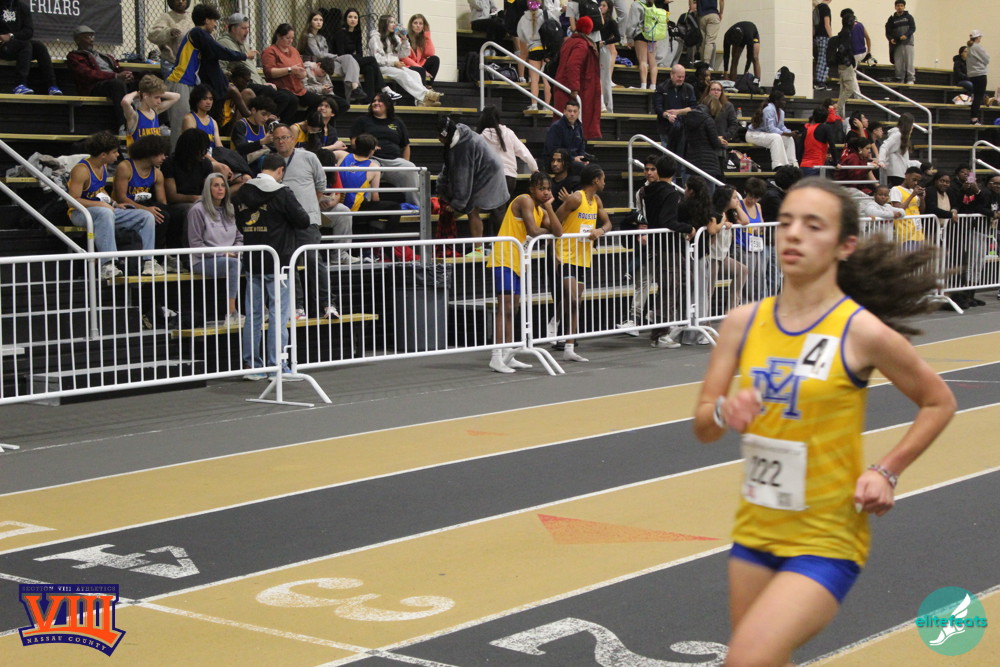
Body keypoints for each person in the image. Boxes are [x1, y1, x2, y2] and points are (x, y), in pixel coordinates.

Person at [692, 177, 956, 667]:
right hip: (755, 532)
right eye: (787, 222)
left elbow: (938, 402)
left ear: (844, 245)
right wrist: (727, 411)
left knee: (745, 660)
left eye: (814, 226)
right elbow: (703, 424)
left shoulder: (861, 331)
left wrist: (886, 470)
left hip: (826, 539)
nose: (794, 234)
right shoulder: (742, 322)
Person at [233, 153, 311, 377]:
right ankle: (277, 365)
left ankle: (252, 366)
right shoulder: (282, 192)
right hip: (279, 260)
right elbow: (303, 221)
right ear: (280, 171)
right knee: (279, 315)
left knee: (253, 315)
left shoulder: (240, 193)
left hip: (253, 259)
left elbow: (240, 225)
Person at [487, 171, 562, 373]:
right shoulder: (525, 200)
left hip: (518, 261)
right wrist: (546, 231)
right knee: (505, 307)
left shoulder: (541, 210)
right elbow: (533, 231)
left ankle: (508, 354)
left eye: (548, 189)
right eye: (541, 188)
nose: (546, 192)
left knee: (513, 308)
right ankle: (496, 356)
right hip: (504, 258)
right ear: (532, 189)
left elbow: (559, 232)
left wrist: (549, 207)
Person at [268, 124, 342, 319]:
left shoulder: (309, 157)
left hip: (307, 219)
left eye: (285, 137)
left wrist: (307, 207)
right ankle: (297, 307)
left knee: (312, 260)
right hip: (283, 222)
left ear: (293, 139)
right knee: (288, 263)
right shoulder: (270, 161)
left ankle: (328, 304)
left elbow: (321, 183)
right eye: (277, 138)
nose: (281, 141)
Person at [67, 131, 162, 279]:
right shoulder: (81, 170)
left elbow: (99, 190)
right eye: (114, 152)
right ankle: (107, 264)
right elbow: (72, 200)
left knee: (146, 216)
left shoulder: (103, 166)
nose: (118, 155)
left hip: (103, 212)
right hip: (80, 213)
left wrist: (114, 203)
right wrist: (102, 205)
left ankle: (147, 261)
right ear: (103, 155)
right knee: (105, 212)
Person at [554, 164, 613, 362]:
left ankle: (569, 347)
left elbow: (608, 223)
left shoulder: (596, 200)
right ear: (596, 180)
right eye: (603, 179)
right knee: (572, 297)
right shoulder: (576, 198)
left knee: (576, 300)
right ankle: (555, 321)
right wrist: (552, 249)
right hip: (566, 254)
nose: (605, 183)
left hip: (583, 257)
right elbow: (555, 221)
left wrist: (600, 231)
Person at [437, 117, 510, 250]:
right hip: (482, 170)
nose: (438, 140)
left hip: (489, 174)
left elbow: (463, 178)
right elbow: (448, 167)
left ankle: (479, 249)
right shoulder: (455, 138)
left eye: (439, 136)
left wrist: (456, 204)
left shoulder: (464, 146)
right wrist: (441, 189)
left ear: (445, 135)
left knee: (472, 210)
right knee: (469, 208)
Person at [646, 160, 697, 349]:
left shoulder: (650, 190)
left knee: (687, 279)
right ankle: (660, 332)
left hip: (666, 245)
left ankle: (667, 318)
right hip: (666, 246)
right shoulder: (669, 192)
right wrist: (688, 228)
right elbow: (667, 221)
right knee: (669, 287)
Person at [218, 13, 298, 125]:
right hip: (243, 83)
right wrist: (234, 78)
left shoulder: (244, 45)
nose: (247, 31)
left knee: (291, 98)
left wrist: (263, 82)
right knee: (272, 93)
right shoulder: (224, 43)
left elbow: (253, 70)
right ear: (233, 29)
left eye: (248, 28)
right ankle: (266, 123)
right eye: (244, 28)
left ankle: (279, 128)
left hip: (257, 83)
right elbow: (221, 68)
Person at [187, 173, 244, 325]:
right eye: (216, 185)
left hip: (230, 256)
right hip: (203, 260)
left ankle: (260, 309)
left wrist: (235, 251)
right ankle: (231, 313)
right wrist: (223, 253)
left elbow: (239, 238)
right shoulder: (197, 210)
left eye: (223, 185)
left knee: (257, 261)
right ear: (208, 188)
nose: (220, 189)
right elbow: (196, 244)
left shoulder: (230, 208)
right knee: (234, 264)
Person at [349, 92, 421, 206]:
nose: (376, 103)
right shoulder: (362, 120)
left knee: (411, 168)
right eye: (374, 101)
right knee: (368, 169)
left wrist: (405, 162)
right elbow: (354, 142)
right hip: (372, 158)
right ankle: (363, 206)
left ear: (387, 104)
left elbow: (406, 146)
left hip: (393, 160)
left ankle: (416, 206)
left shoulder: (397, 122)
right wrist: (369, 146)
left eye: (380, 101)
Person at [66, 26, 134, 131]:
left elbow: (118, 67)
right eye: (87, 37)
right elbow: (87, 74)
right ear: (78, 40)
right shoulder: (74, 56)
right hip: (95, 86)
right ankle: (124, 126)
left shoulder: (105, 56)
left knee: (145, 80)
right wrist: (115, 76)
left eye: (92, 36)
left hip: (114, 81)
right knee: (116, 84)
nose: (91, 40)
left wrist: (127, 74)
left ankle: (154, 123)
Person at [477, 105, 538, 216]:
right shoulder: (509, 133)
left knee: (498, 212)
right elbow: (523, 151)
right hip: (510, 178)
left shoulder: (481, 137)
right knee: (504, 210)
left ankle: (502, 228)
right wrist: (534, 168)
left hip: (494, 178)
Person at [369, 15, 442, 107]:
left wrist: (404, 39)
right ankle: (425, 95)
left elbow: (403, 54)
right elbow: (377, 59)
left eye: (394, 22)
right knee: (402, 74)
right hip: (382, 67)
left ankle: (421, 101)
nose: (394, 25)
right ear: (384, 24)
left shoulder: (394, 37)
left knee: (415, 74)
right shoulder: (375, 38)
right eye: (391, 22)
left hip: (394, 65)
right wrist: (393, 63)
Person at [114, 135, 171, 251]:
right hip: (124, 206)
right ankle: (150, 255)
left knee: (165, 214)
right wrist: (146, 209)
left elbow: (162, 201)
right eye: (161, 154)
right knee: (158, 215)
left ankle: (161, 254)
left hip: (144, 204)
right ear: (150, 152)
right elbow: (121, 197)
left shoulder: (157, 173)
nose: (164, 158)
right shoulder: (125, 167)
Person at [299, 10, 367, 104]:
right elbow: (318, 54)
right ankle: (353, 93)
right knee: (349, 65)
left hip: (326, 63)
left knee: (349, 62)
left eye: (321, 20)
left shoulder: (322, 37)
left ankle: (354, 90)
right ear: (310, 22)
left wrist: (332, 57)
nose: (319, 22)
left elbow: (325, 54)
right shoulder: (308, 36)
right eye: (315, 20)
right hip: (315, 65)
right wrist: (335, 56)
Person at [553, 16, 602, 141]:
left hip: (563, 85)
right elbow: (573, 65)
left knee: (564, 124)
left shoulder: (569, 41)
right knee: (575, 124)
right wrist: (574, 87)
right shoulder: (582, 44)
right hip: (578, 89)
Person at [0, 0, 60, 95]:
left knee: (39, 47)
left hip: (17, 43)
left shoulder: (22, 7)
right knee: (25, 45)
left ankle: (52, 86)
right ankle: (20, 84)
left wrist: (11, 36)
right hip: (2, 45)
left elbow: (29, 31)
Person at [262, 23, 324, 112]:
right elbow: (269, 72)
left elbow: (303, 69)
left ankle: (306, 119)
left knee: (317, 100)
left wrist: (303, 74)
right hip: (282, 87)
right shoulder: (270, 51)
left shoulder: (294, 51)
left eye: (292, 38)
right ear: (279, 36)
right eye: (287, 38)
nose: (290, 41)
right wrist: (290, 70)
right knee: (293, 100)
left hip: (298, 89)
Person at [706, 186, 748, 316]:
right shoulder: (714, 213)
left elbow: (745, 221)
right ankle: (705, 319)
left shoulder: (729, 213)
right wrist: (722, 224)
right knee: (709, 289)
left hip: (722, 256)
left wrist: (737, 207)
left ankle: (731, 311)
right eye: (734, 198)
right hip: (711, 257)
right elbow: (711, 230)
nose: (737, 200)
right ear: (725, 199)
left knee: (742, 270)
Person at [333, 8, 390, 102]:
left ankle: (368, 100)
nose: (353, 19)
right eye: (350, 17)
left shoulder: (357, 33)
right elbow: (341, 54)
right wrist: (356, 57)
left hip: (353, 61)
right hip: (342, 62)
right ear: (345, 19)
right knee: (372, 59)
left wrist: (356, 57)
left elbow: (360, 53)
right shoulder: (340, 33)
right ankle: (383, 88)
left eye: (355, 17)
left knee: (369, 68)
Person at [122, 75, 180, 148]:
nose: (159, 101)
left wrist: (158, 92)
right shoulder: (134, 116)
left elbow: (176, 96)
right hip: (138, 154)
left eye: (160, 97)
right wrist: (137, 93)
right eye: (156, 97)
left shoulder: (155, 111)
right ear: (145, 96)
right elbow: (125, 102)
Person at [653, 65, 698, 160]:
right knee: (667, 157)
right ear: (671, 75)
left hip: (685, 128)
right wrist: (668, 116)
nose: (681, 79)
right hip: (666, 127)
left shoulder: (689, 88)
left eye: (683, 77)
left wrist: (678, 112)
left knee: (683, 157)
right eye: (679, 77)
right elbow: (658, 108)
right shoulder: (661, 88)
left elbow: (694, 107)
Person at [746, 90, 798, 169]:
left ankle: (792, 164)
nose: (785, 102)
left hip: (765, 134)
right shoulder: (769, 109)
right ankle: (778, 166)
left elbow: (781, 127)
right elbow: (770, 129)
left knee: (788, 138)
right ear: (776, 101)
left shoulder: (781, 112)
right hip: (753, 134)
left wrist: (791, 133)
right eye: (783, 100)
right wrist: (787, 133)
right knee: (776, 137)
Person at [517, 0, 551, 111]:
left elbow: (520, 36)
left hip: (533, 49)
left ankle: (534, 105)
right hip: (546, 48)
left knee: (534, 79)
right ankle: (547, 106)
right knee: (546, 79)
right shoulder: (546, 14)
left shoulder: (523, 18)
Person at [683, 102, 724, 193]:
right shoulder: (708, 120)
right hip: (708, 160)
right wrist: (720, 142)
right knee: (709, 192)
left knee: (694, 192)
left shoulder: (688, 118)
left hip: (692, 157)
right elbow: (714, 142)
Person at [701, 81, 738, 175]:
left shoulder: (728, 106)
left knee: (719, 174)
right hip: (705, 145)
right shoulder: (702, 106)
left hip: (720, 146)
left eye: (718, 90)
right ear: (708, 91)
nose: (716, 92)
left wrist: (725, 137)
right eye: (713, 89)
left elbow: (734, 125)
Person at [148, 0, 193, 76]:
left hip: (190, 62)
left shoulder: (192, 17)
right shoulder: (166, 17)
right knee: (173, 83)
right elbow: (152, 35)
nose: (180, 1)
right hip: (171, 62)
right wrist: (169, 32)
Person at [231, 95, 276, 166]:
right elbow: (240, 148)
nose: (266, 118)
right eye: (263, 114)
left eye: (268, 116)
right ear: (253, 111)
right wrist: (262, 142)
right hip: (243, 164)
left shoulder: (265, 127)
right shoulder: (241, 125)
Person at [889, 166, 926, 250]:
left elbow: (922, 211)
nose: (916, 183)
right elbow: (898, 210)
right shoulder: (896, 189)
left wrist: (922, 198)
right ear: (906, 176)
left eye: (918, 181)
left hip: (918, 232)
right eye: (914, 179)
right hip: (905, 233)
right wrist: (912, 195)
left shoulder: (913, 191)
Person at [542, 100, 588, 168]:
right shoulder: (556, 127)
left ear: (578, 113)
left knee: (593, 167)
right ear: (564, 111)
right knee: (580, 167)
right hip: (558, 160)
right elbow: (553, 150)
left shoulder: (579, 126)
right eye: (569, 111)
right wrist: (573, 159)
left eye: (575, 111)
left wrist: (582, 158)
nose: (572, 114)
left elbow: (581, 147)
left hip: (574, 160)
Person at [834, 10, 861, 120]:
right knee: (850, 89)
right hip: (845, 65)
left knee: (843, 89)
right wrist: (848, 61)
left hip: (842, 64)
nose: (855, 24)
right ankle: (837, 110)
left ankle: (839, 113)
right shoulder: (846, 33)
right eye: (853, 21)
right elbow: (843, 49)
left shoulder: (844, 32)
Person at [180, 84, 224, 152]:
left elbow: (219, 146)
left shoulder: (213, 122)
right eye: (204, 99)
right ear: (196, 100)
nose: (208, 102)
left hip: (212, 156)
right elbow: (193, 146)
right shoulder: (189, 119)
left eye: (211, 99)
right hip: (196, 155)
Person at [597, 0, 621, 113]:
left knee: (604, 78)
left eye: (604, 5)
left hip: (603, 49)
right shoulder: (597, 20)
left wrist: (605, 42)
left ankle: (608, 105)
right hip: (596, 49)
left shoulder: (611, 22)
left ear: (609, 8)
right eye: (600, 5)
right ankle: (599, 103)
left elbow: (617, 37)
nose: (601, 7)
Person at [402, 14, 440, 84]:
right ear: (411, 25)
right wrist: (421, 68)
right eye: (415, 23)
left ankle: (429, 86)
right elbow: (404, 58)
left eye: (420, 24)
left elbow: (430, 53)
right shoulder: (405, 37)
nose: (418, 26)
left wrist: (427, 36)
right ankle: (423, 88)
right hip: (407, 65)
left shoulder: (422, 38)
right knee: (420, 70)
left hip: (419, 65)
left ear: (423, 26)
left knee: (435, 59)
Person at [881, 112, 916, 187]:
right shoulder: (898, 135)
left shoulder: (903, 136)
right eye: (912, 124)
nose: (913, 127)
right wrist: (881, 161)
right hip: (896, 173)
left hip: (900, 172)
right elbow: (884, 146)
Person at [885, 0, 916, 85]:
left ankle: (910, 79)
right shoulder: (892, 19)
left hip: (908, 43)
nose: (900, 7)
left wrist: (906, 35)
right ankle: (899, 79)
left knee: (909, 62)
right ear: (895, 7)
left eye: (901, 6)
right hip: (897, 44)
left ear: (904, 7)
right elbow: (888, 32)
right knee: (898, 63)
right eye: (898, 6)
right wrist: (891, 39)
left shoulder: (909, 17)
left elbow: (913, 28)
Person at [800, 108, 836, 178]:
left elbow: (800, 149)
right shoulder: (826, 128)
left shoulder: (807, 129)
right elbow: (832, 145)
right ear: (826, 118)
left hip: (803, 166)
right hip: (816, 166)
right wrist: (835, 162)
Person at [966, 30, 990, 126]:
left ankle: (973, 118)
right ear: (977, 38)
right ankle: (974, 119)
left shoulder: (969, 47)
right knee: (978, 97)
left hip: (972, 75)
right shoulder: (977, 47)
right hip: (980, 74)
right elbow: (987, 59)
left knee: (976, 96)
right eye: (980, 37)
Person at [690, 0, 723, 66]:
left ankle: (702, 62)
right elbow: (721, 1)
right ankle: (706, 63)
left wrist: (692, 8)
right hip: (713, 14)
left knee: (702, 40)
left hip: (701, 16)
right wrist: (721, 13)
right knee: (709, 41)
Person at [812, 0, 833, 91]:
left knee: (820, 58)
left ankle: (820, 80)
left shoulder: (817, 8)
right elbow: (826, 24)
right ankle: (820, 81)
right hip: (824, 36)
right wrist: (832, 38)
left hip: (817, 36)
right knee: (824, 59)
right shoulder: (825, 8)